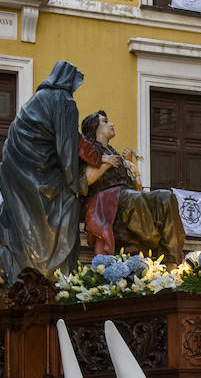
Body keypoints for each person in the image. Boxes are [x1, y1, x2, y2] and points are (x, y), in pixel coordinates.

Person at [0, 60, 85, 282]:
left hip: (14, 168)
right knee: (66, 208)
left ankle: (17, 267)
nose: (74, 89)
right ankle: (53, 274)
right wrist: (74, 182)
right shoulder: (64, 101)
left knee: (21, 219)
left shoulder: (35, 100)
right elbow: (66, 148)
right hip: (40, 172)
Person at [78, 110, 185, 263]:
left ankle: (171, 258)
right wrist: (105, 163)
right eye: (106, 121)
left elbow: (138, 191)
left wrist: (133, 172)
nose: (111, 124)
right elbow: (83, 183)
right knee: (132, 197)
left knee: (166, 196)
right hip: (106, 200)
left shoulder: (113, 151)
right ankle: (152, 239)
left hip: (126, 197)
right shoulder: (88, 150)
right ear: (95, 127)